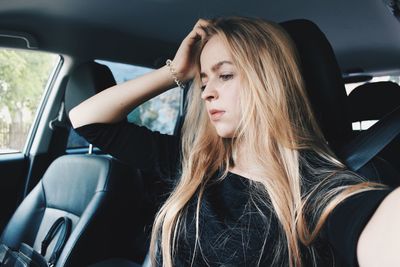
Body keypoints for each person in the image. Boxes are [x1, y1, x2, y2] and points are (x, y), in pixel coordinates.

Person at [69, 17, 399, 267]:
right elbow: (87, 120)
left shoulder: (319, 191)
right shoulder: (194, 164)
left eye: (225, 75)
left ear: (268, 81)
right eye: (202, 80)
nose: (207, 91)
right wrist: (175, 72)